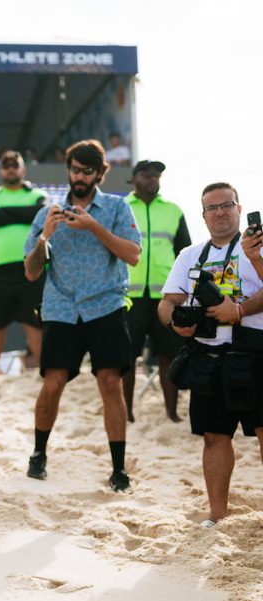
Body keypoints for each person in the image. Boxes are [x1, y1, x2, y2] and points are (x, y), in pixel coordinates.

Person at [22, 139, 141, 491]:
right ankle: (38, 453)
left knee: (110, 382)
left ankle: (118, 468)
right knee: (53, 382)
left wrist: (94, 227)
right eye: (75, 169)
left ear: (100, 173)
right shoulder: (49, 211)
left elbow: (133, 255)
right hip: (61, 308)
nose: (80, 176)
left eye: (87, 171)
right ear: (68, 170)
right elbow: (30, 272)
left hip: (106, 305)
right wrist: (45, 237)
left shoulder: (118, 208)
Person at [158, 182, 263, 526]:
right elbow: (167, 301)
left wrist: (240, 310)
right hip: (208, 354)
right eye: (212, 208)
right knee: (214, 436)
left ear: (238, 207)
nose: (220, 212)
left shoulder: (256, 245)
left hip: (255, 349)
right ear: (202, 215)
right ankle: (217, 515)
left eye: (226, 205)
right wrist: (177, 323)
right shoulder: (190, 254)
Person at [122, 160, 191, 423]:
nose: (153, 178)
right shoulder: (122, 208)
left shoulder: (173, 210)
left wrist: (183, 291)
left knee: (169, 355)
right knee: (126, 357)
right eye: (146, 174)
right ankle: (126, 412)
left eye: (157, 174)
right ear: (134, 178)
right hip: (129, 297)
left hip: (166, 297)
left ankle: (172, 413)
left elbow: (185, 253)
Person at [0, 150, 48, 377]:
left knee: (35, 324)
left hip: (31, 267)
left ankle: (46, 374)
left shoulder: (37, 194)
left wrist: (4, 214)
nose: (10, 169)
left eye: (14, 165)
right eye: (5, 165)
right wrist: (23, 215)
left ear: (23, 168)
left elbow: (40, 213)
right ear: (0, 170)